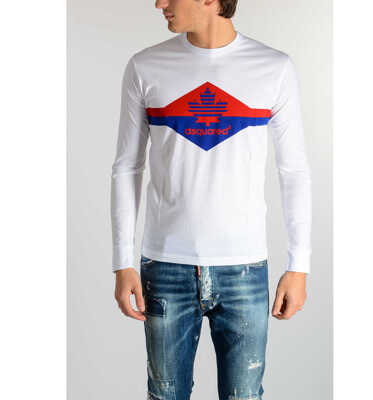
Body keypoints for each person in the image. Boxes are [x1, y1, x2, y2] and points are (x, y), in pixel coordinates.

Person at [110, 1, 312, 399]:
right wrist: (122, 261)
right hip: (165, 267)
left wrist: (299, 267)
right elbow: (127, 168)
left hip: (244, 268)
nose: (159, 3)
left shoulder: (274, 68)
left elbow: (294, 172)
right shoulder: (145, 67)